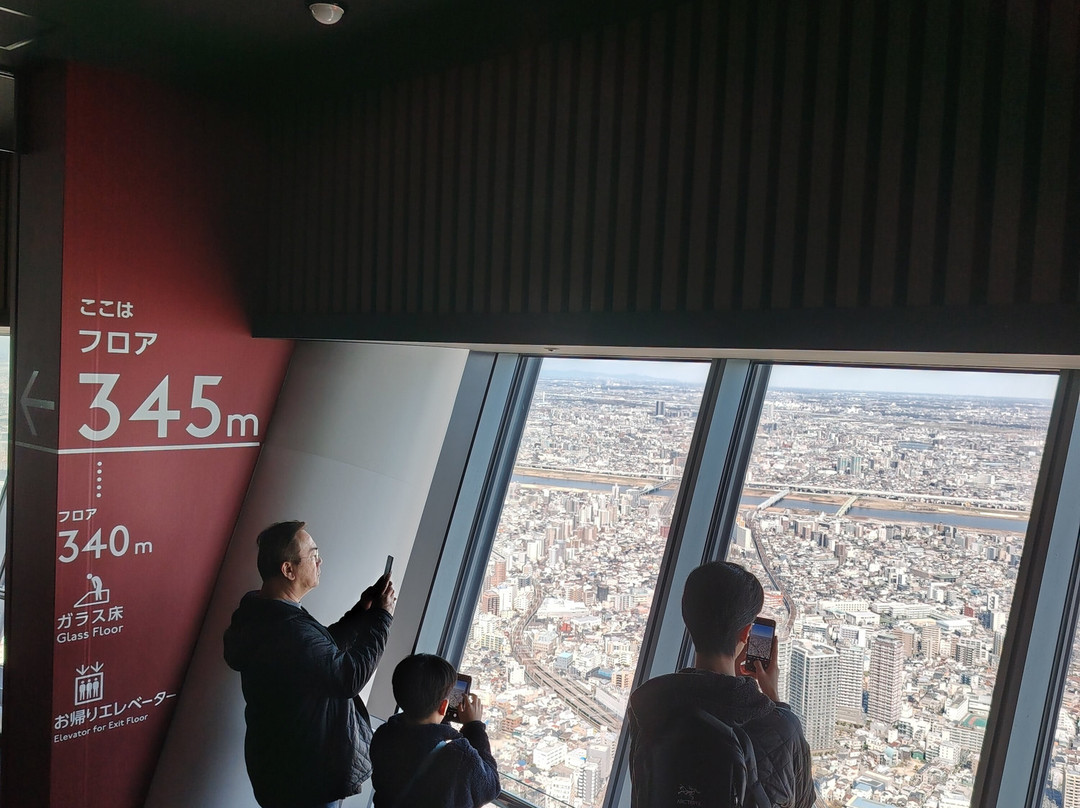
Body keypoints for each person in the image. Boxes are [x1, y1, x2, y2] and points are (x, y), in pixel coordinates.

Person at [223, 520, 395, 808]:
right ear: (288, 570)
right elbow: (348, 677)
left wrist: (361, 611)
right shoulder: (287, 629)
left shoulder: (265, 613)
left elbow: (319, 654)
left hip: (284, 767)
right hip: (304, 780)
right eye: (313, 554)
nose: (320, 561)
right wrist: (382, 618)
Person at [627, 561, 816, 808]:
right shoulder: (781, 726)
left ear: (688, 620)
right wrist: (773, 697)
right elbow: (802, 801)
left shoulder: (648, 704)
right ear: (746, 634)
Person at [370, 653, 500, 808]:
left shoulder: (384, 735)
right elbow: (491, 787)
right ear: (444, 706)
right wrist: (474, 726)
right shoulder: (460, 756)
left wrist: (439, 716)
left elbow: (423, 742)